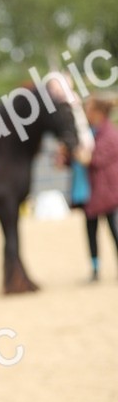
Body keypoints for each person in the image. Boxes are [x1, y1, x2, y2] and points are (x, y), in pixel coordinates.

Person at [81, 96, 118, 282]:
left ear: (97, 112)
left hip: (109, 194)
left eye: (88, 108)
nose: (85, 112)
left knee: (115, 230)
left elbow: (96, 159)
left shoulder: (110, 134)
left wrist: (82, 156)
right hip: (93, 194)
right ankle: (95, 269)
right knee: (90, 232)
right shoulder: (90, 133)